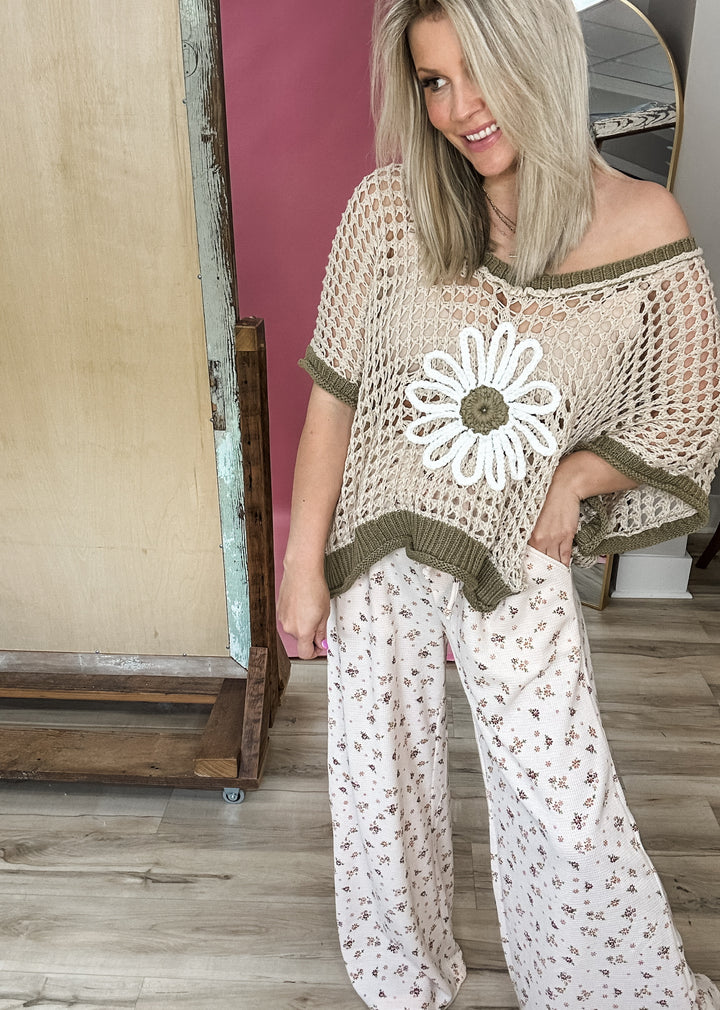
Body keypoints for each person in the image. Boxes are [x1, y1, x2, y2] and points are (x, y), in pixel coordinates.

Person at [278, 0, 720, 1006]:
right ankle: (404, 981)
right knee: (379, 793)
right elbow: (335, 396)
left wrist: (574, 478)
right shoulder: (389, 212)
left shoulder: (645, 223)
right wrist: (305, 566)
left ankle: (609, 992)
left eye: (480, 72)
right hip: (377, 544)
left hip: (513, 552)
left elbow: (688, 410)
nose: (459, 110)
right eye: (435, 82)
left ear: (541, 61)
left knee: (564, 803)